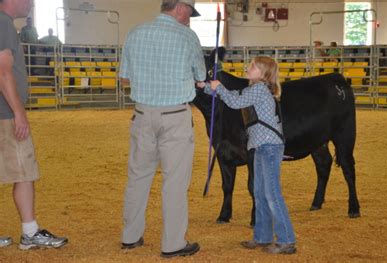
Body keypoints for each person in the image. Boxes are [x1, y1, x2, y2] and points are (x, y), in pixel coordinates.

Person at [119, 0, 205, 258]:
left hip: (143, 114)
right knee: (175, 182)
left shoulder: (135, 33)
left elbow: (125, 77)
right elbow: (200, 76)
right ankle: (173, 243)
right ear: (180, 8)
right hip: (175, 115)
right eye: (189, 12)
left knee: (138, 177)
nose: (190, 18)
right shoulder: (187, 36)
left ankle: (130, 237)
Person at [197, 56, 297, 255]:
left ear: (263, 74)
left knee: (271, 194)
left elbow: (235, 101)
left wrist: (219, 87)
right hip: (261, 147)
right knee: (260, 193)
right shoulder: (255, 89)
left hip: (268, 147)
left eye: (252, 66)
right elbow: (234, 95)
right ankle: (262, 237)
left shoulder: (259, 90)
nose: (248, 68)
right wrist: (206, 87)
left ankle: (287, 240)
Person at [0, 0, 68, 250]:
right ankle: (30, 232)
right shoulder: (3, 24)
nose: (29, 4)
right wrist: (19, 112)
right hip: (5, 113)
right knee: (25, 172)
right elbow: (3, 71)